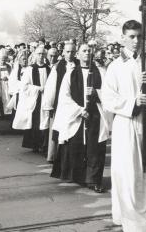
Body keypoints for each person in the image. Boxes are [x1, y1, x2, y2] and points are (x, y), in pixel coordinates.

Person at [102, 20, 146, 231]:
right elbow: (108, 98)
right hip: (127, 122)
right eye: (131, 36)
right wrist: (132, 104)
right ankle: (131, 220)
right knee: (128, 171)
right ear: (123, 38)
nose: (136, 41)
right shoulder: (115, 66)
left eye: (139, 36)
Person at [51, 43, 110, 191]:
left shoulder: (100, 72)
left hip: (95, 114)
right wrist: (79, 110)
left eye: (89, 51)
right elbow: (64, 96)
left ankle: (94, 180)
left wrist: (97, 93)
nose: (87, 53)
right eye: (84, 51)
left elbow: (109, 93)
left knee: (95, 148)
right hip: (77, 115)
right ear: (78, 54)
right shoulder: (71, 73)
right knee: (76, 146)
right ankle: (78, 176)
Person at [42, 42, 79, 162]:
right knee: (57, 129)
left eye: (73, 52)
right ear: (63, 52)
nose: (70, 54)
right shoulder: (58, 66)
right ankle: (52, 156)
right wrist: (49, 104)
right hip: (59, 102)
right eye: (67, 52)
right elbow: (51, 86)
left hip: (74, 102)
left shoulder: (78, 64)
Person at [12, 46, 50, 152]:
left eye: (43, 54)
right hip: (34, 99)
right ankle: (34, 145)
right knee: (35, 120)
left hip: (45, 99)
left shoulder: (49, 69)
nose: (41, 56)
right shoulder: (30, 69)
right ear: (35, 55)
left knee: (44, 121)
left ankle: (44, 145)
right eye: (39, 54)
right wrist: (38, 88)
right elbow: (24, 86)